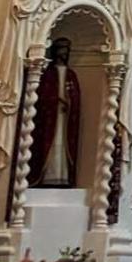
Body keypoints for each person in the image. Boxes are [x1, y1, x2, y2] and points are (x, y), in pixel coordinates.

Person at [28, 36, 82, 188]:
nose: (64, 54)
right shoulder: (48, 75)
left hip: (64, 122)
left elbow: (76, 99)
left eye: (66, 51)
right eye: (62, 50)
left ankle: (62, 177)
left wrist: (70, 104)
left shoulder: (71, 75)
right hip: (50, 119)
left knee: (62, 149)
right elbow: (40, 97)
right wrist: (55, 101)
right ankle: (45, 176)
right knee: (50, 146)